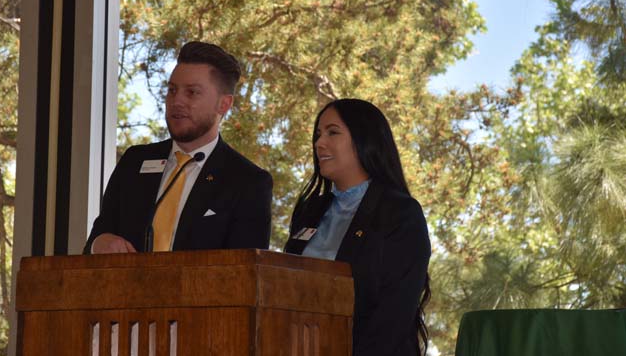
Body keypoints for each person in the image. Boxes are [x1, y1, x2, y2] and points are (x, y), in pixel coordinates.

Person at [84, 41, 273, 254]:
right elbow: (98, 236)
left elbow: (245, 274)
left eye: (191, 93)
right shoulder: (135, 162)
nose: (177, 101)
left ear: (224, 104)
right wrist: (99, 243)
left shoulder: (247, 182)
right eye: (172, 90)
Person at [284, 99, 431, 356]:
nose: (319, 143)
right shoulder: (309, 211)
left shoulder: (401, 213)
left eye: (333, 132)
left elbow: (394, 317)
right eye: (318, 134)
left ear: (365, 139)